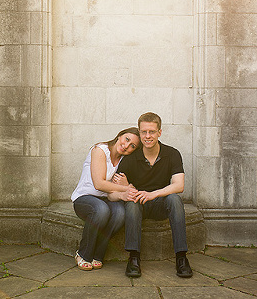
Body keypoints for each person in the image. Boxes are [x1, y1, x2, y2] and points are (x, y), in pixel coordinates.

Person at [114, 111, 193, 278]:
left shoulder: (172, 154)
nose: (147, 136)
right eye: (144, 132)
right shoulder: (130, 157)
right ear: (139, 132)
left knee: (175, 199)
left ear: (159, 132)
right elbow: (116, 189)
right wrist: (127, 187)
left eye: (151, 131)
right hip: (139, 204)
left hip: (160, 203)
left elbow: (179, 186)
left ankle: (181, 258)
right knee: (132, 201)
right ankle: (134, 258)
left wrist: (153, 194)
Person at [70, 127, 141, 270]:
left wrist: (124, 191)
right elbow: (99, 184)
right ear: (120, 135)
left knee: (120, 213)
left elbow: (112, 193)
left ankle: (98, 254)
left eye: (132, 146)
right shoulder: (100, 150)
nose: (127, 146)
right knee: (101, 210)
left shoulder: (124, 160)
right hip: (85, 198)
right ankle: (83, 253)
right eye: (126, 139)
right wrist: (127, 188)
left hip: (106, 199)